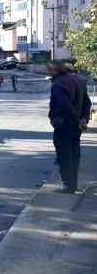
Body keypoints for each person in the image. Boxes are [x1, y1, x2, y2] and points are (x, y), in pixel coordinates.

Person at [47, 60, 88, 194]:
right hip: (76, 126)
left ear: (53, 70)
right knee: (74, 155)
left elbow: (65, 106)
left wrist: (77, 121)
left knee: (64, 156)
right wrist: (84, 119)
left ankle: (68, 185)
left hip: (65, 125)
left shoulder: (58, 84)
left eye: (49, 70)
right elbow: (86, 102)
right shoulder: (78, 81)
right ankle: (73, 184)